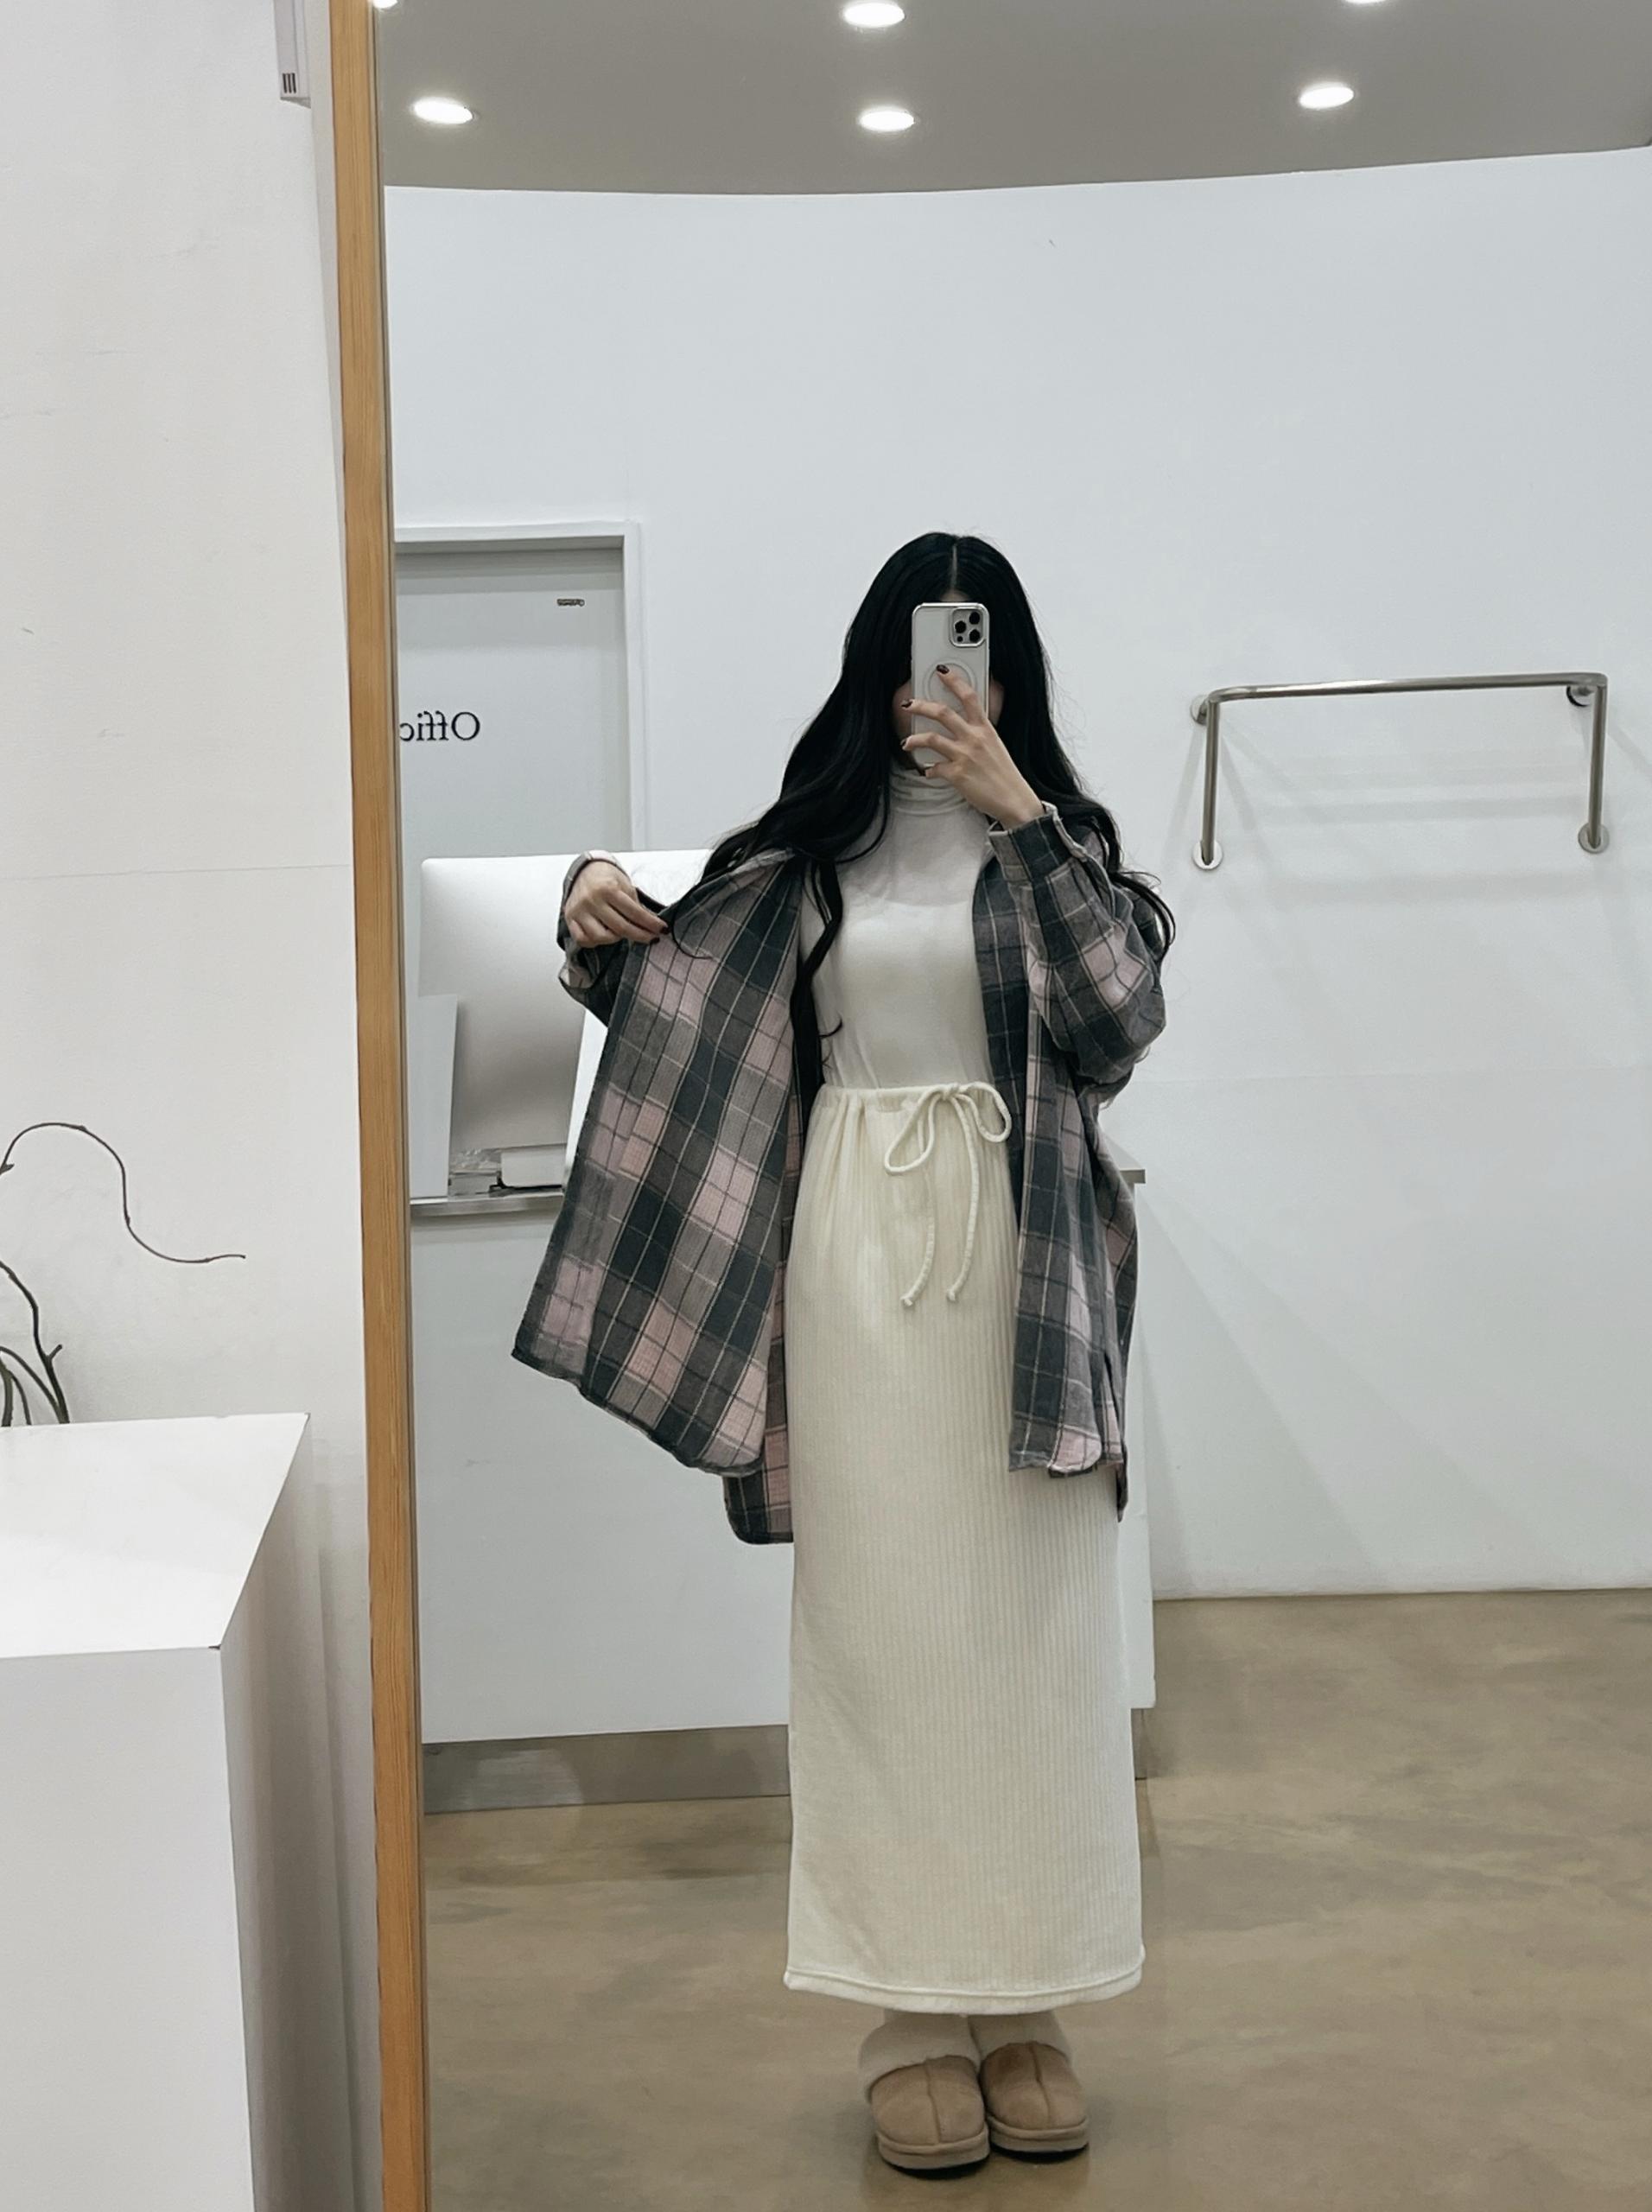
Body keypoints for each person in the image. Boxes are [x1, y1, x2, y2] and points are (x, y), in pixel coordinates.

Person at [515, 532, 1172, 2174]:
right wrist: (590, 908)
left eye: (973, 647)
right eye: (921, 647)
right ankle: (908, 2016)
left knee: (1032, 1644)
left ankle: (1027, 1999)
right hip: (855, 1263)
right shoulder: (811, 859)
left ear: (1008, 666)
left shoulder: (1064, 848)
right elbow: (676, 997)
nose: (944, 680)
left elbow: (1118, 1028)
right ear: (878, 664)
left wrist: (1024, 815)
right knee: (882, 1640)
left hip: (1025, 1274)